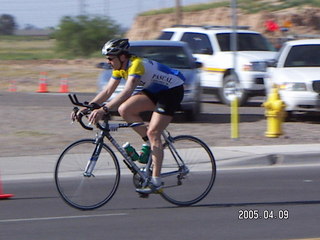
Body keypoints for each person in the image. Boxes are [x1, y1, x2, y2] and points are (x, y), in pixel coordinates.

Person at [74, 38, 185, 194]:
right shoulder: (120, 68)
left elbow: (126, 92)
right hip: (155, 91)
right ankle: (149, 144)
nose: (108, 62)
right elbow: (107, 92)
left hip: (171, 91)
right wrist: (87, 107)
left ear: (122, 57)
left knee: (154, 132)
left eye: (110, 58)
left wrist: (104, 110)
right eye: (107, 59)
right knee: (125, 110)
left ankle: (156, 181)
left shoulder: (136, 65)